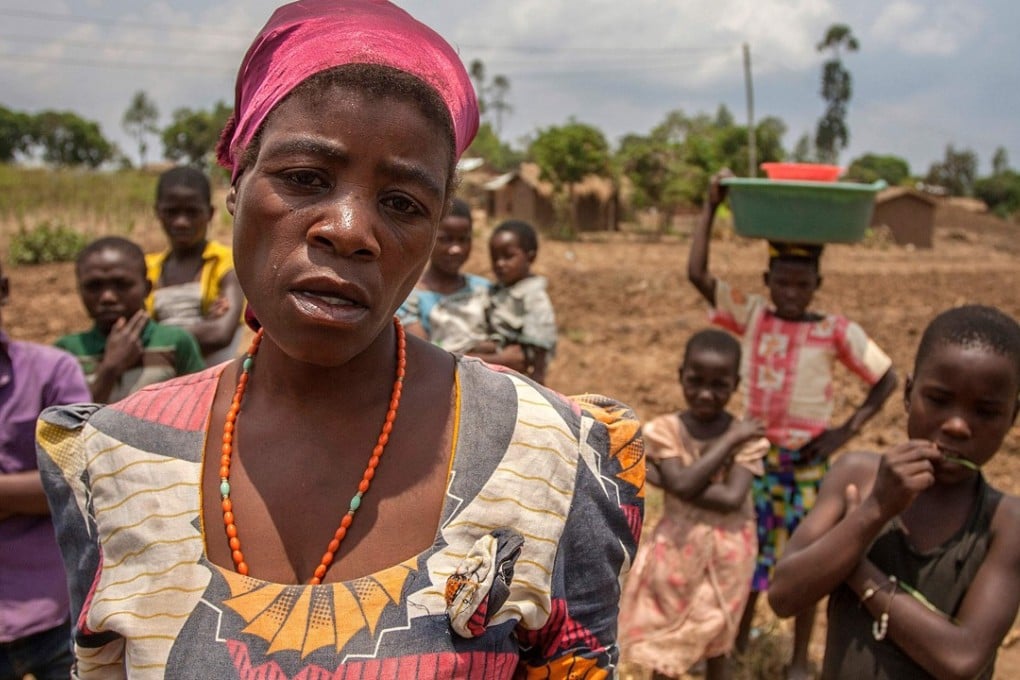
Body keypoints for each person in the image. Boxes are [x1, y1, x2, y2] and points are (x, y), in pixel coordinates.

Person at [36, 2, 644, 677]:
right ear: (236, 187)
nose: (350, 229)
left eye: (402, 204)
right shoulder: (119, 459)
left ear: (437, 232)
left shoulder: (551, 458)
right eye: (304, 178)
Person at [687, 172, 898, 680]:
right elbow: (697, 274)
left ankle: (800, 659)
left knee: (804, 557)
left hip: (807, 463)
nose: (791, 293)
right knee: (749, 554)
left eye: (802, 285)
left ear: (817, 286)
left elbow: (887, 378)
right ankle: (736, 646)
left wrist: (845, 432)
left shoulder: (834, 331)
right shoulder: (755, 316)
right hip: (757, 460)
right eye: (782, 282)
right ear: (768, 282)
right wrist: (709, 208)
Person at [768, 305, 1020, 679]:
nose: (956, 426)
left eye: (985, 412)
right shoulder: (856, 477)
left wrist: (857, 567)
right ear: (907, 393)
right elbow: (784, 595)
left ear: (1013, 418)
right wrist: (875, 510)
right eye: (937, 400)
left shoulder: (1007, 522)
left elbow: (962, 658)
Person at [619, 329, 768, 680]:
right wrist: (728, 441)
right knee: (666, 642)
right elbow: (687, 483)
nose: (705, 393)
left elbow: (731, 499)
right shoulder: (667, 431)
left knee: (717, 638)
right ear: (680, 375)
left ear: (736, 384)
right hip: (677, 549)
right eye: (695, 381)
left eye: (719, 385)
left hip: (729, 552)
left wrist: (670, 481)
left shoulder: (748, 439)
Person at [0, 258, 91, 679]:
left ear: (4, 291)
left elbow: (76, 483)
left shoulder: (52, 370)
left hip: (52, 609)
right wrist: (23, 491)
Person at [55, 237, 205, 403]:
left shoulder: (175, 342)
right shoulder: (67, 352)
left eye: (122, 284)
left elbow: (198, 409)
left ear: (147, 288)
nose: (107, 297)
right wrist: (109, 369)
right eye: (94, 286)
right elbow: (65, 424)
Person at [146, 165, 246, 365]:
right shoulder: (148, 268)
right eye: (172, 212)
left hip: (211, 379)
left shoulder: (226, 262)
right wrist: (204, 325)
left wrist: (151, 336)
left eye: (192, 212)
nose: (181, 222)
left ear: (209, 213)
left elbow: (220, 334)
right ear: (158, 212)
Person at [398, 197, 491, 354]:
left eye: (463, 239)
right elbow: (426, 358)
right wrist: (503, 359)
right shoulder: (408, 299)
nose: (456, 249)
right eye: (446, 239)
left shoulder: (484, 289)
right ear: (429, 237)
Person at [469, 219, 557, 384]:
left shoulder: (533, 293)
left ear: (530, 257)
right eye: (495, 258)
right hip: (500, 348)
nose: (500, 264)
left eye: (508, 257)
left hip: (521, 359)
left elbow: (542, 338)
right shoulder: (498, 289)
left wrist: (538, 377)